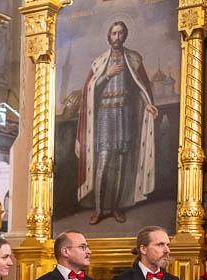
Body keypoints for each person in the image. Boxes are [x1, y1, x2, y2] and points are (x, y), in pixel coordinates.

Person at [76, 21, 158, 225]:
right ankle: (98, 209)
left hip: (125, 115)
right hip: (105, 116)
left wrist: (148, 103)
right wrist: (107, 74)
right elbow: (90, 89)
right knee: (103, 164)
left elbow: (141, 85)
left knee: (121, 164)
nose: (117, 37)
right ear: (109, 36)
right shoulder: (100, 62)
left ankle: (116, 208)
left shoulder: (133, 59)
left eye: (121, 33)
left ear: (125, 36)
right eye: (114, 33)